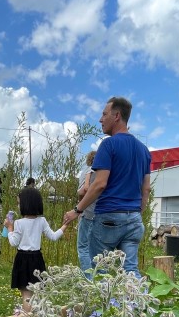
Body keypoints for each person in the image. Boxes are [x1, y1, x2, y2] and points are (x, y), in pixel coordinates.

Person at [63, 97, 151, 276]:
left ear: (116, 116)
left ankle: (101, 295)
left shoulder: (108, 144)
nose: (100, 119)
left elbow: (99, 184)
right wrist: (136, 213)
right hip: (134, 218)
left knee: (99, 270)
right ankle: (140, 295)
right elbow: (146, 189)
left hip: (108, 218)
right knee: (131, 270)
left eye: (104, 114)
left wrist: (77, 210)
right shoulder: (143, 150)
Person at [5, 187, 68, 311]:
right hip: (37, 259)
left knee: (26, 294)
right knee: (37, 293)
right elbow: (54, 237)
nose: (18, 206)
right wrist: (65, 225)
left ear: (25, 204)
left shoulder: (18, 223)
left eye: (19, 203)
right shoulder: (42, 221)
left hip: (22, 259)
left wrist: (9, 228)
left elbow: (13, 242)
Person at [76, 151, 97, 272]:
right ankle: (98, 277)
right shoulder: (103, 173)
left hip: (87, 211)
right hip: (100, 213)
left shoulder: (88, 171)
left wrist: (79, 207)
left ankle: (88, 278)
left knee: (83, 247)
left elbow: (83, 190)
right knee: (95, 249)